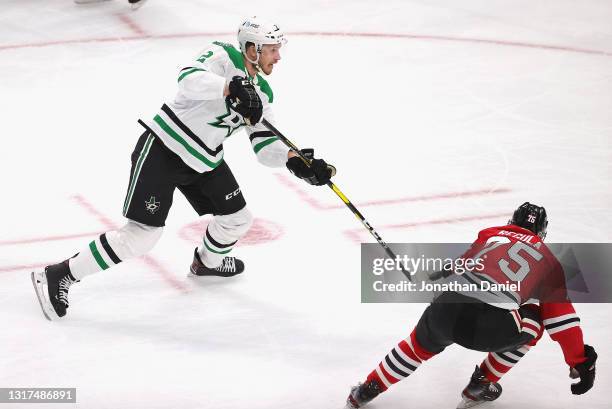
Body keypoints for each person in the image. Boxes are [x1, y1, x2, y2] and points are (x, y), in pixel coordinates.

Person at [32, 17, 335, 321]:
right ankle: (60, 274)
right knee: (142, 236)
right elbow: (188, 78)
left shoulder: (263, 93)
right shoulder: (222, 56)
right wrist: (230, 87)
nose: (278, 56)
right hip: (164, 147)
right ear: (252, 49)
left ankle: (207, 263)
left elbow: (264, 145)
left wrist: (295, 162)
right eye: (272, 49)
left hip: (204, 160)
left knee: (237, 220)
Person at [345, 202, 597, 408]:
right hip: (491, 327)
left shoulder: (490, 234)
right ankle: (481, 385)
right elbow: (561, 320)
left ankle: (366, 390)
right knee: (536, 321)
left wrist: (435, 275)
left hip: (447, 308)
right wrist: (579, 360)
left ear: (511, 222)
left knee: (416, 346)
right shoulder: (550, 261)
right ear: (542, 233)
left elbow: (466, 262)